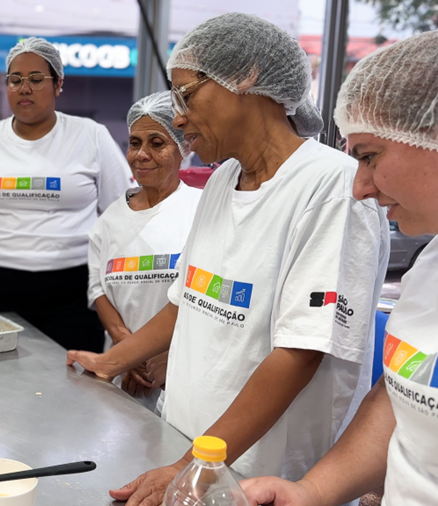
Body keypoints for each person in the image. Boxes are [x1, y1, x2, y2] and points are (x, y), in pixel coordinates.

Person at [66, 13, 389, 505]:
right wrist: (110, 362)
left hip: (263, 472)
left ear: (248, 77)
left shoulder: (331, 188)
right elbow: (187, 299)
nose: (176, 118)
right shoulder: (222, 179)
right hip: (188, 442)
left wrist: (193, 466)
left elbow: (300, 352)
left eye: (186, 95)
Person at [242, 30, 438, 506]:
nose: (359, 187)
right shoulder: (429, 265)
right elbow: (401, 397)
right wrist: (311, 490)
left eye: (370, 155)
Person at [0, 37, 133, 352]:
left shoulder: (90, 136)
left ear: (58, 84)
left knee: (76, 381)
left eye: (36, 80)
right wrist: (6, 231)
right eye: (15, 80)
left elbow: (122, 208)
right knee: (4, 375)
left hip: (73, 288)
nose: (24, 88)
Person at [88, 92, 202, 411]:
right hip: (121, 374)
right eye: (134, 143)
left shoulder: (201, 210)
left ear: (183, 148)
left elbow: (204, 294)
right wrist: (127, 350)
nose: (141, 154)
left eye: (156, 143)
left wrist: (165, 355)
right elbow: (99, 288)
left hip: (179, 369)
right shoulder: (109, 219)